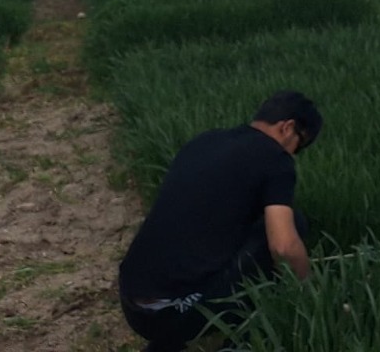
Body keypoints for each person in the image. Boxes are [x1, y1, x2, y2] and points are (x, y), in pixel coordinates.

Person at [118, 91, 322, 352]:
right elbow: (284, 246)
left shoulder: (206, 140)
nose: (294, 154)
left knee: (255, 235)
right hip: (170, 312)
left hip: (132, 301)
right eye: (300, 145)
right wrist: (310, 292)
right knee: (293, 227)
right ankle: (242, 344)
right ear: (287, 127)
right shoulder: (275, 159)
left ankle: (169, 342)